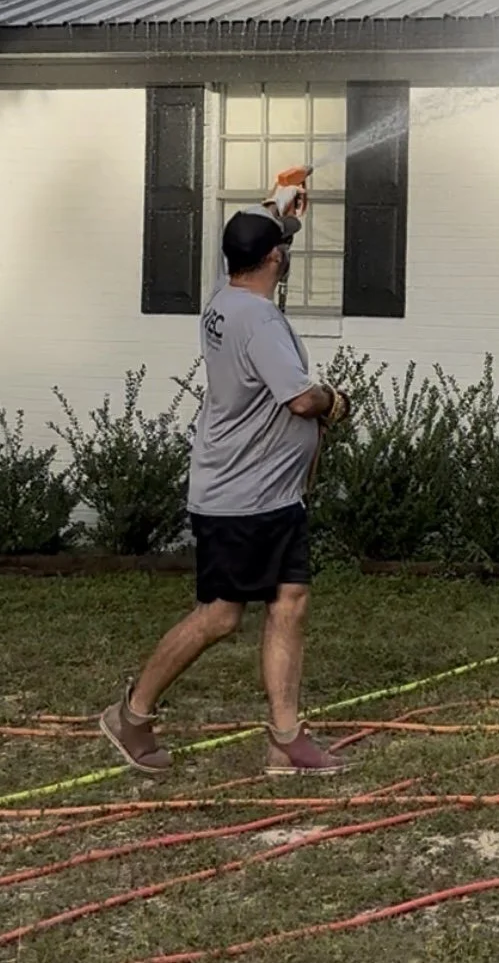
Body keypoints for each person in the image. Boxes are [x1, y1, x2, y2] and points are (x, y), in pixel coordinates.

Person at [100, 198, 351, 777]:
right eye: (282, 244)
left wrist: (279, 208)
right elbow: (300, 399)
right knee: (219, 616)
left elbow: (253, 241)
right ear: (274, 258)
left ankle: (285, 739)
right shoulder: (259, 321)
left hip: (271, 494)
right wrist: (335, 401)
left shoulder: (224, 297)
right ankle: (131, 715)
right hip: (244, 495)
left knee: (290, 600)